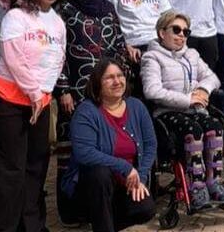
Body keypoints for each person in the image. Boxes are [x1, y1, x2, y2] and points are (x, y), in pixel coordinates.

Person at [0, 0, 67, 232]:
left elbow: (57, 59)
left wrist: (43, 94)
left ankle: (32, 226)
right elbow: (13, 59)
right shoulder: (15, 16)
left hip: (39, 101)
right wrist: (34, 93)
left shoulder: (57, 22)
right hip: (8, 100)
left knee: (36, 166)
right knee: (11, 171)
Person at [52, 0, 132, 224]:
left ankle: (101, 206)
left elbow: (118, 44)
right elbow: (58, 52)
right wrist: (63, 88)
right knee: (72, 149)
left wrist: (122, 81)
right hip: (75, 91)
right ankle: (71, 209)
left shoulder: (107, 7)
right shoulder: (63, 8)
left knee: (105, 146)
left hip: (107, 92)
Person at [140, 11, 224, 209]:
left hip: (193, 111)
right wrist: (188, 99)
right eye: (176, 30)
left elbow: (212, 78)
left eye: (186, 32)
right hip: (166, 114)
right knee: (193, 130)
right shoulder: (151, 57)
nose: (181, 35)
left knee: (215, 126)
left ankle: (214, 183)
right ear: (162, 32)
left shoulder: (192, 54)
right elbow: (151, 91)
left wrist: (203, 90)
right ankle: (196, 188)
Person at [62, 60, 157, 232]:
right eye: (109, 77)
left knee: (146, 208)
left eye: (120, 76)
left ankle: (105, 224)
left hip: (125, 184)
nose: (117, 81)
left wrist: (141, 178)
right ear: (97, 83)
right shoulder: (86, 111)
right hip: (91, 187)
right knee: (100, 173)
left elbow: (150, 145)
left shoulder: (136, 106)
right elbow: (84, 152)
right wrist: (125, 167)